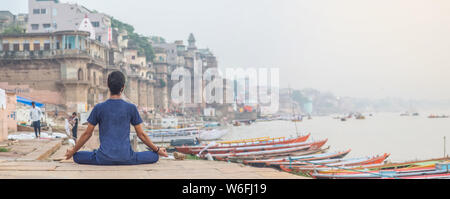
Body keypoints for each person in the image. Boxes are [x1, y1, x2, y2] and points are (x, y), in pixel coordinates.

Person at [65, 71, 168, 165]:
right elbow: (141, 135)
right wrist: (157, 149)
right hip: (127, 158)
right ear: (123, 87)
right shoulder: (131, 108)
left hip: (103, 158)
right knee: (154, 156)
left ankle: (93, 153)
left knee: (77, 156)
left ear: (108, 86)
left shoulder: (98, 108)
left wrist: (72, 151)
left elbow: (87, 134)